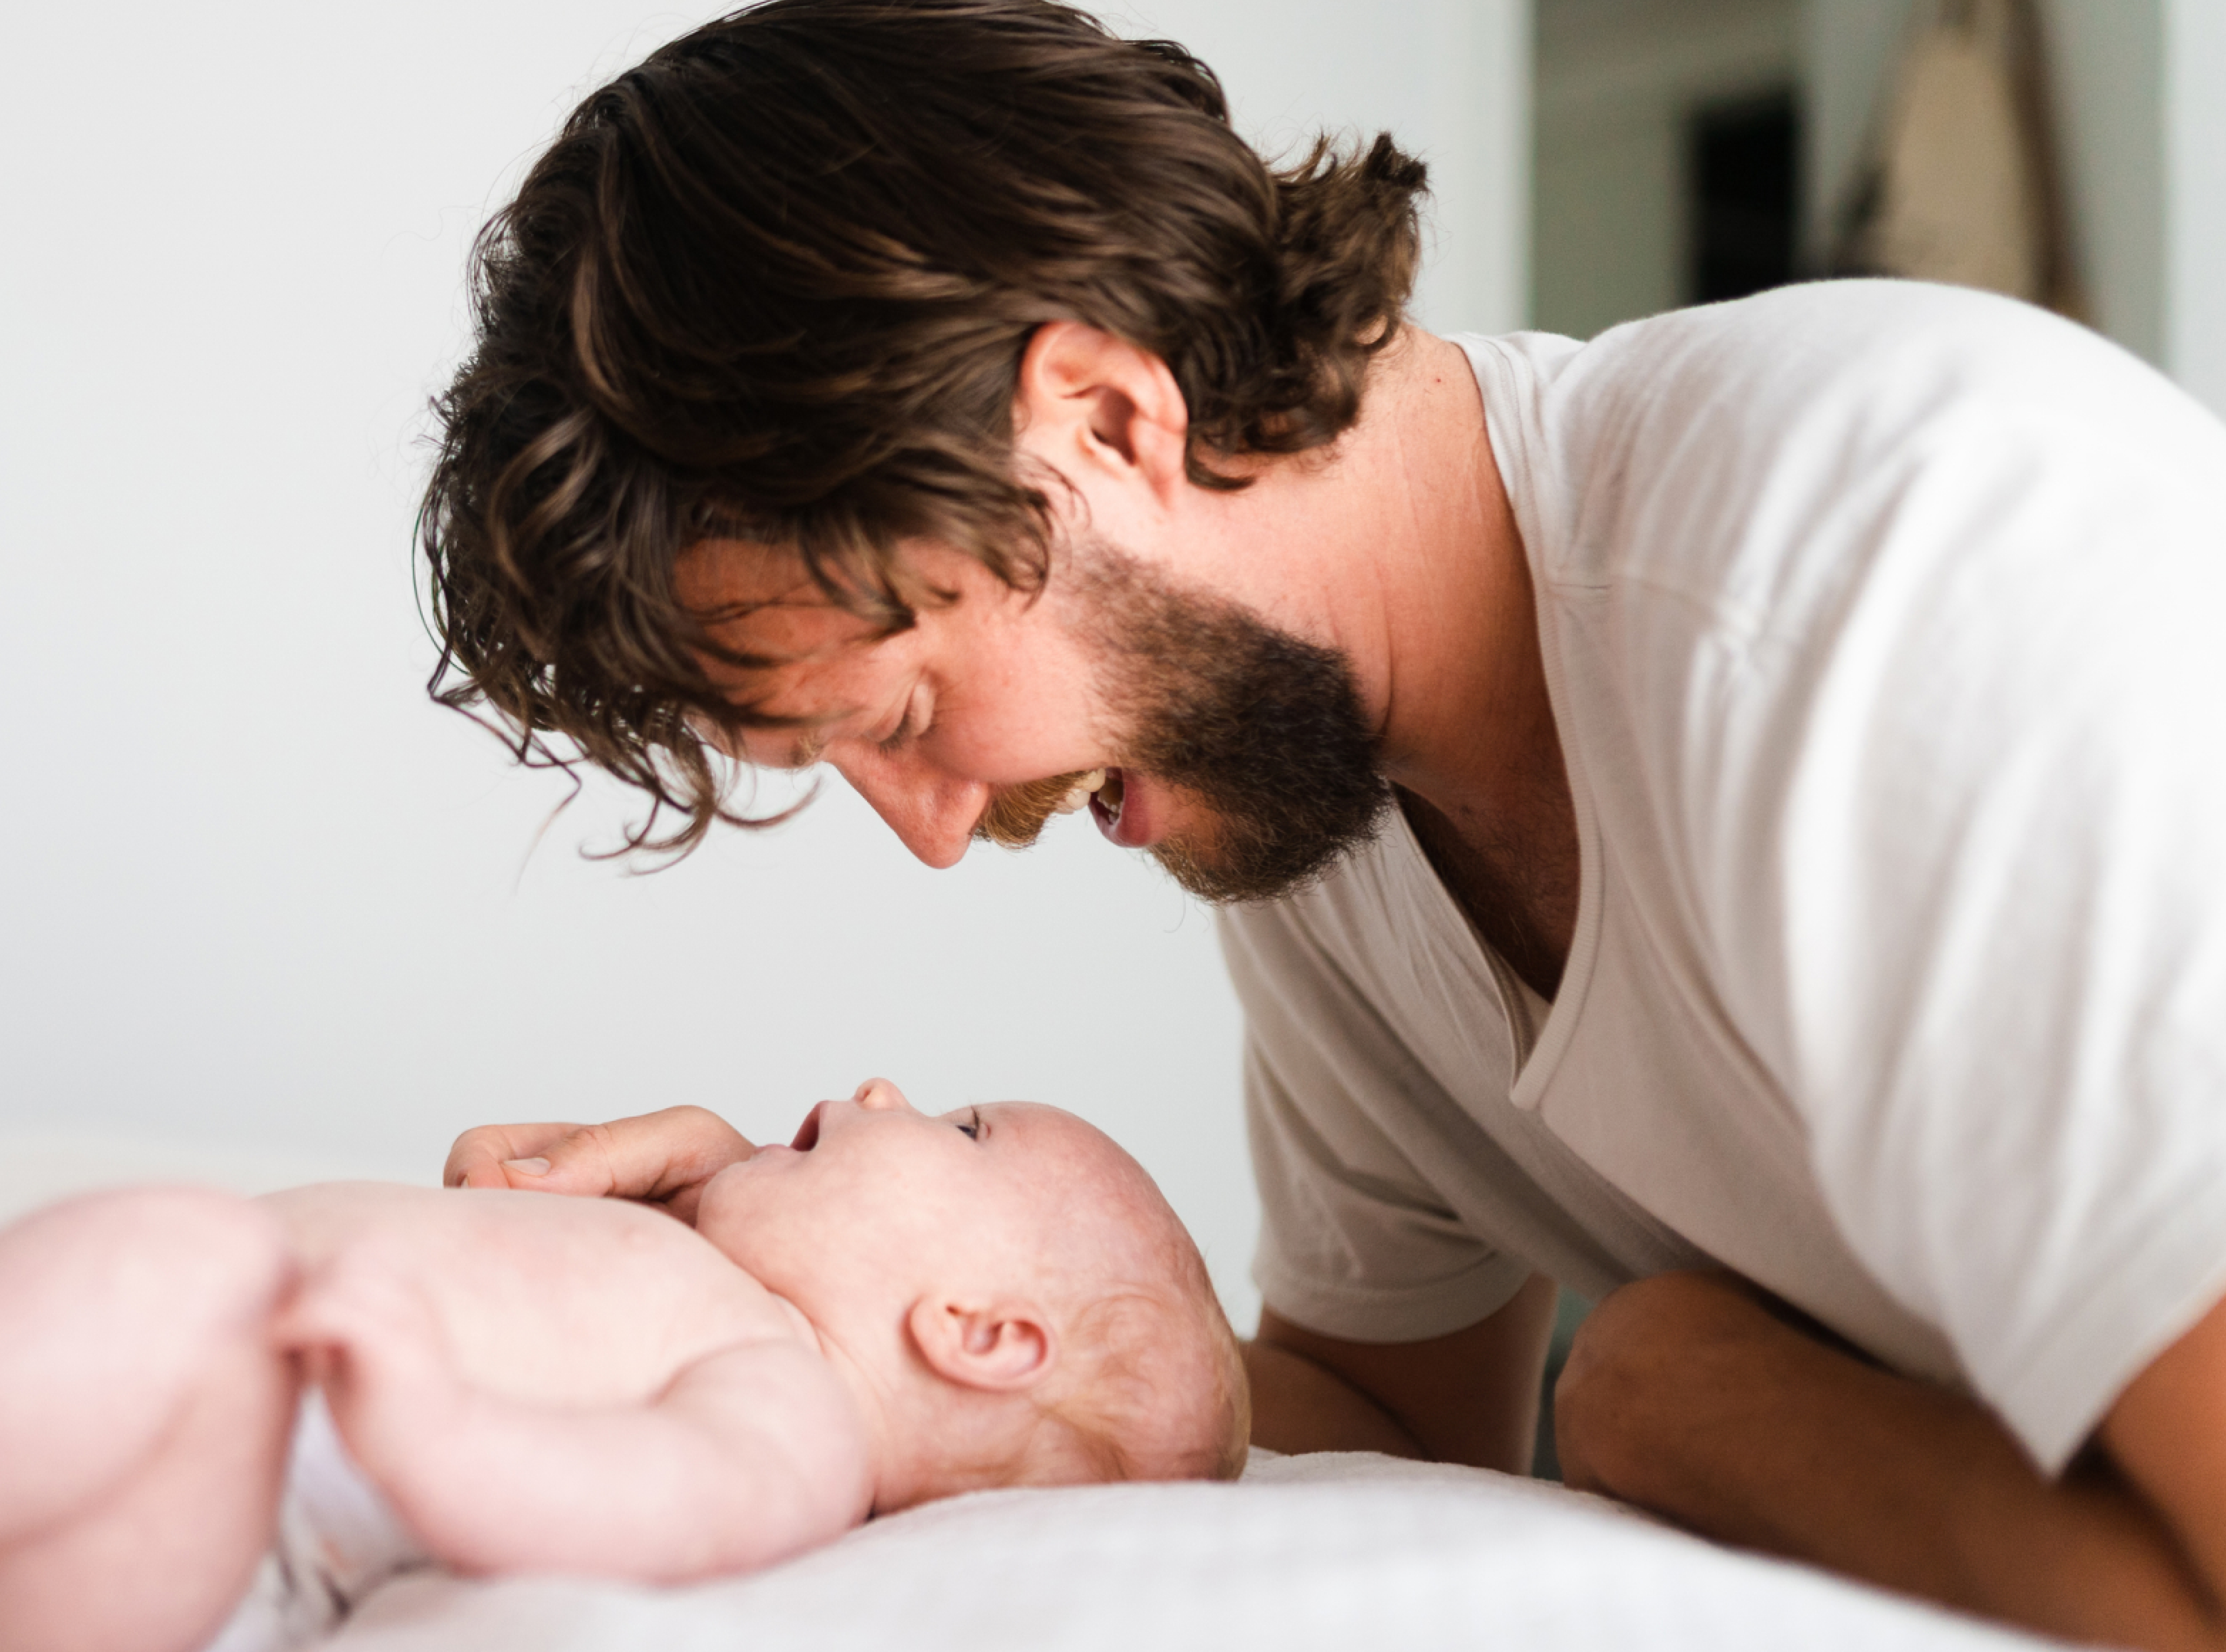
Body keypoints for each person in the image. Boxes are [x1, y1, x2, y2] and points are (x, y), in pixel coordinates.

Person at [415, 0, 2226, 1644]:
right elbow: (1362, 1431)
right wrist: (784, 1286)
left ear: (1110, 421)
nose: (942, 833)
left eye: (904, 711)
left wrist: (1668, 1395)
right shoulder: (1322, 800)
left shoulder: (1883, 595)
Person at [0, 1080, 1246, 1652]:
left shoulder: (787, 1407)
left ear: (976, 1336)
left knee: (187, 1268)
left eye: (959, 1131)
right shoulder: (680, 1243)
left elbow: (646, 1509)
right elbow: (498, 1180)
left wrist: (430, 1424)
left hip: (120, 1564)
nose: (872, 1084)